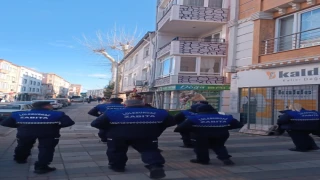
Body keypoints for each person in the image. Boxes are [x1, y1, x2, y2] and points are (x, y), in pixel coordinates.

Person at [91, 99, 176, 179]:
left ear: (124, 105)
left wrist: (111, 130)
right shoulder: (159, 112)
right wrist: (156, 129)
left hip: (118, 136)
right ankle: (155, 166)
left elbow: (95, 123)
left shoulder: (112, 113)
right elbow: (171, 122)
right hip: (146, 136)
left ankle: (118, 167)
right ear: (143, 104)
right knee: (149, 150)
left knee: (117, 150)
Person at [0, 101, 75, 174]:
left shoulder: (18, 114)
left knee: (23, 146)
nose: (51, 106)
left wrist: (20, 126)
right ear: (46, 106)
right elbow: (69, 122)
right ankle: (41, 167)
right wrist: (56, 126)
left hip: (25, 133)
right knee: (46, 149)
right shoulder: (57, 114)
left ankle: (20, 159)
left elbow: (5, 123)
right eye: (50, 105)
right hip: (48, 134)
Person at [174, 104, 243, 166]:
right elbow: (239, 125)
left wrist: (192, 130)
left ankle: (203, 160)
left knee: (201, 147)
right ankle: (225, 159)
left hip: (201, 135)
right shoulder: (226, 117)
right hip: (221, 134)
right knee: (219, 146)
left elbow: (180, 128)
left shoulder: (194, 118)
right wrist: (225, 127)